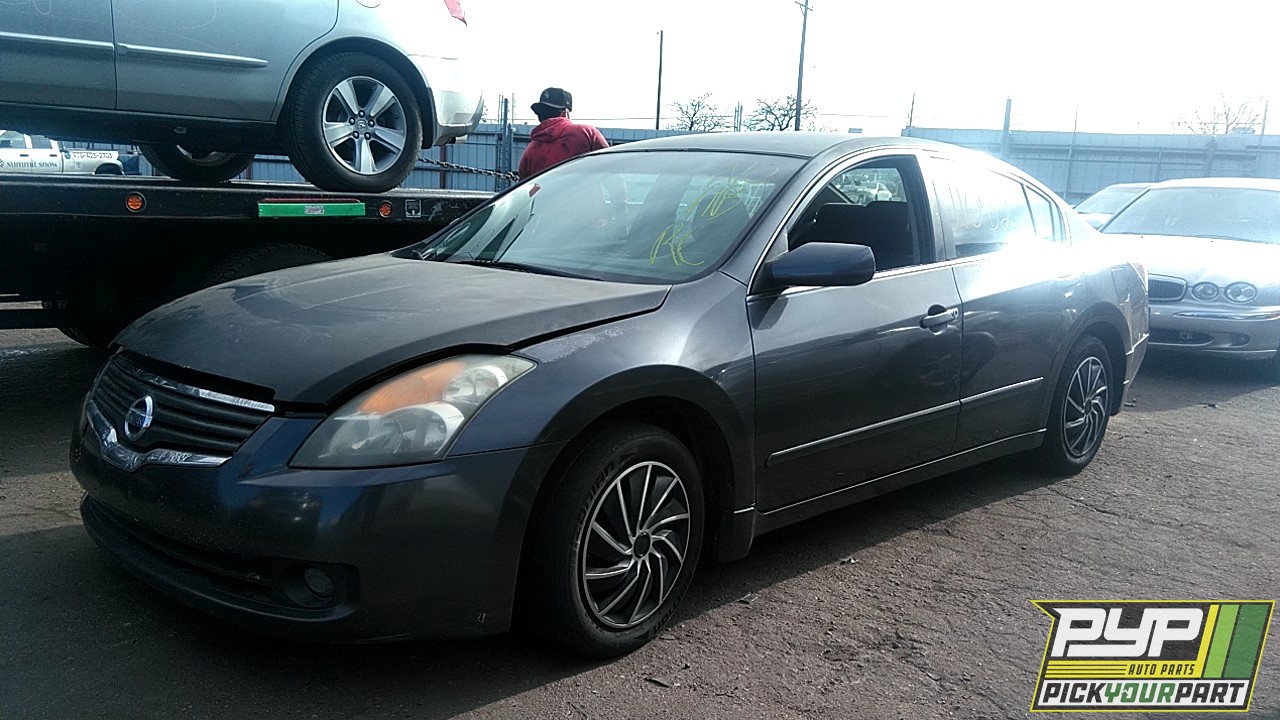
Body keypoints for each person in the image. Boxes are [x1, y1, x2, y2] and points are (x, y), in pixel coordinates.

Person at [518, 87, 609, 179]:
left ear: (540, 116)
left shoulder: (529, 151)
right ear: (565, 113)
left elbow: (525, 189)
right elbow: (610, 166)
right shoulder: (588, 133)